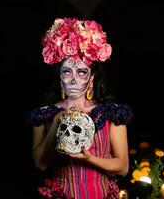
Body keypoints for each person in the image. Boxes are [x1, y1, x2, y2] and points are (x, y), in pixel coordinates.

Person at [26, 17, 134, 199]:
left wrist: (90, 159)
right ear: (60, 77)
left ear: (91, 79)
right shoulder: (44, 114)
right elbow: (40, 164)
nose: (73, 79)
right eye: (67, 72)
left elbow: (123, 167)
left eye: (82, 72)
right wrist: (57, 121)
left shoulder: (111, 112)